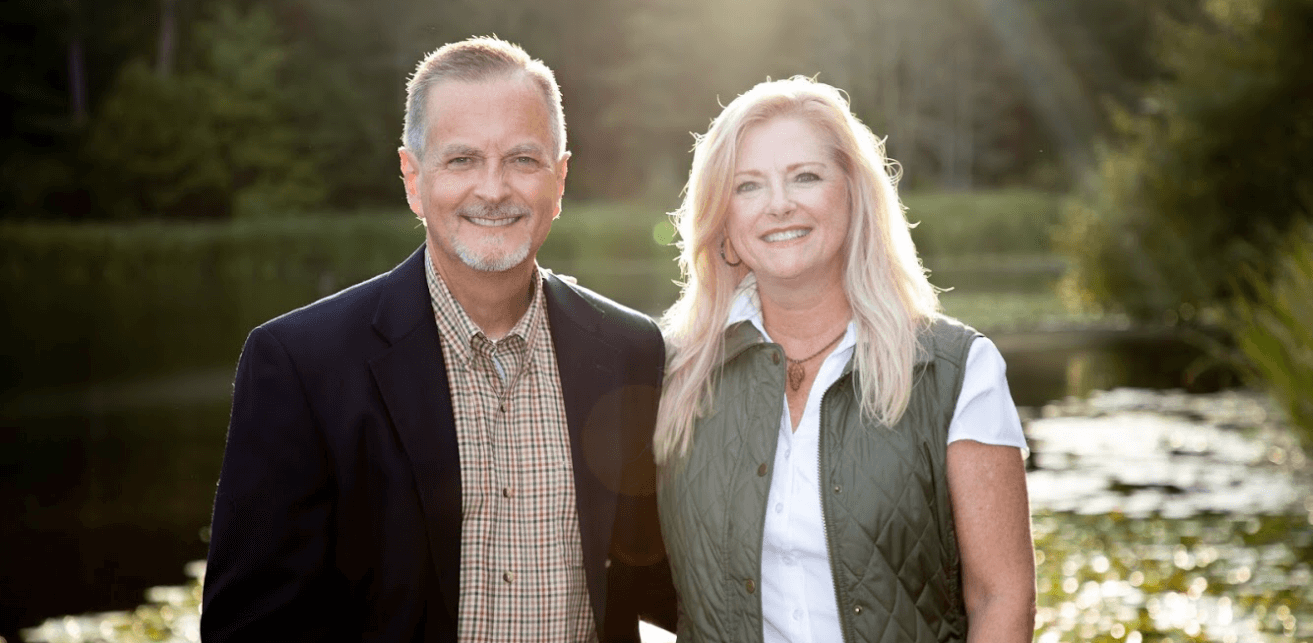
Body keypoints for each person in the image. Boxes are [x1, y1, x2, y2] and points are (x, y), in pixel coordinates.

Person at [201, 36, 675, 642]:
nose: (494, 189)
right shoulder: (301, 365)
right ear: (413, 179)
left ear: (559, 180)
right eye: (461, 160)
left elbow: (666, 575)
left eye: (523, 160)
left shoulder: (630, 350)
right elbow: (251, 628)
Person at [654, 76, 1037, 643]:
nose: (779, 204)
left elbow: (1002, 597)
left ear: (854, 195)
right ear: (724, 221)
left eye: (805, 177)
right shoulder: (671, 371)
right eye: (748, 186)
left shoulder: (958, 371)